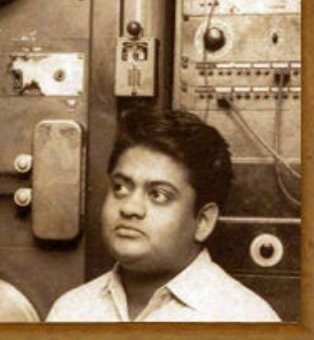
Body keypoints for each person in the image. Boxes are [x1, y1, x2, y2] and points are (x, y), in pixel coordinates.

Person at [47, 107, 280, 322]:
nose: (129, 208)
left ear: (203, 221)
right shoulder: (71, 311)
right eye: (120, 188)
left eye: (158, 194)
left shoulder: (245, 319)